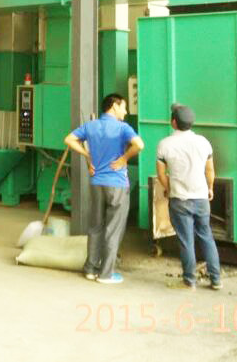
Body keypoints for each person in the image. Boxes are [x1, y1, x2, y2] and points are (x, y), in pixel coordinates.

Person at [64, 93, 144, 284]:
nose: (125, 111)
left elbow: (69, 139)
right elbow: (139, 145)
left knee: (96, 227)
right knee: (113, 229)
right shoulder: (122, 128)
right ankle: (106, 274)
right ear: (114, 106)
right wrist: (124, 158)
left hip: (97, 183)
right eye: (124, 107)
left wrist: (87, 155)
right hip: (117, 184)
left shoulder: (91, 126)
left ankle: (90, 269)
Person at [155, 103, 222, 290]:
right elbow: (210, 170)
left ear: (173, 123)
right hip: (201, 198)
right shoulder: (203, 142)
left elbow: (161, 174)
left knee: (186, 241)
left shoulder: (164, 144)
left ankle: (189, 280)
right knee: (206, 236)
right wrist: (210, 188)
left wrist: (169, 188)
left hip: (179, 199)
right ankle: (216, 279)